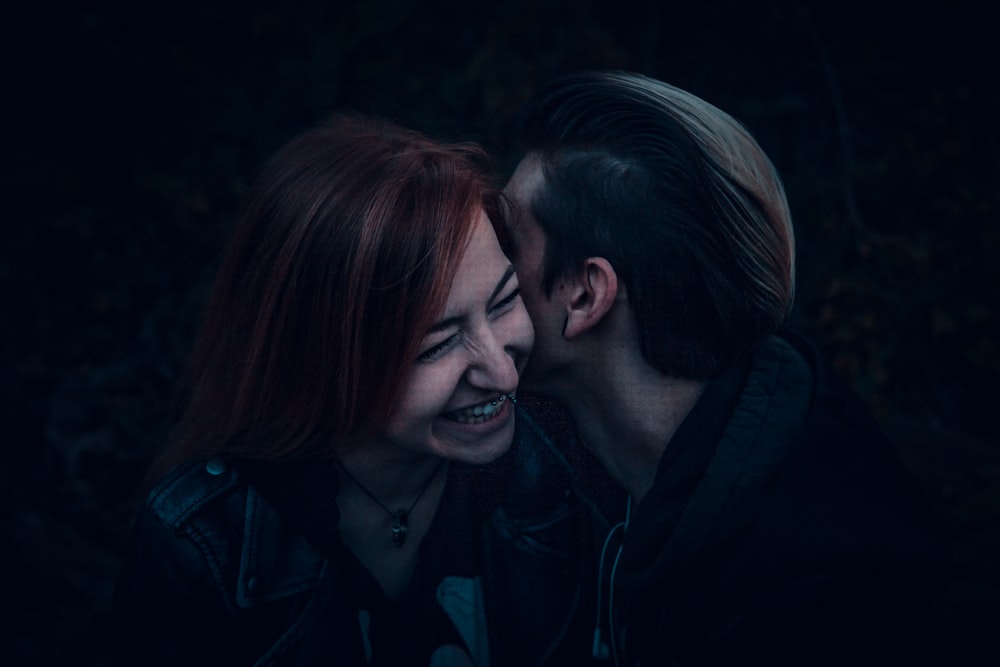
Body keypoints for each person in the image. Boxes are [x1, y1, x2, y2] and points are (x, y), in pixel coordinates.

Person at [502, 70, 950, 666]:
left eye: (507, 240)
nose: (485, 261)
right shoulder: (563, 457)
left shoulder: (820, 612)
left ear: (586, 295)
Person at [112, 114, 594, 666]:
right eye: (435, 346)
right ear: (322, 361)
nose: (504, 375)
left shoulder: (560, 467)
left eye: (505, 301)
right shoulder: (206, 545)